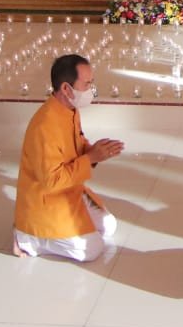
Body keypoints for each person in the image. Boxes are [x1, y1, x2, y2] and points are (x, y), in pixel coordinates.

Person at [13, 54, 124, 262]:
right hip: (47, 202)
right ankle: (29, 238)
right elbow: (52, 181)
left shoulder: (69, 110)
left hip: (70, 190)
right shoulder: (45, 126)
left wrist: (97, 151)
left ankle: (61, 232)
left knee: (109, 226)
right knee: (92, 249)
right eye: (87, 83)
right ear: (66, 88)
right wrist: (91, 157)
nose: (91, 89)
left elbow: (77, 144)